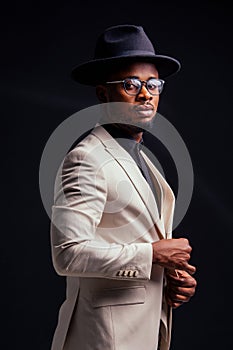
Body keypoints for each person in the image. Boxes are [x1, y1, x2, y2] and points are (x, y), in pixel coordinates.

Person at [50, 24, 197, 350]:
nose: (145, 94)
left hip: (142, 332)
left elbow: (134, 245)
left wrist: (169, 282)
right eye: (130, 84)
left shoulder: (141, 160)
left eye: (153, 84)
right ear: (103, 93)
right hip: (103, 337)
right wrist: (152, 256)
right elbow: (67, 254)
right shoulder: (86, 159)